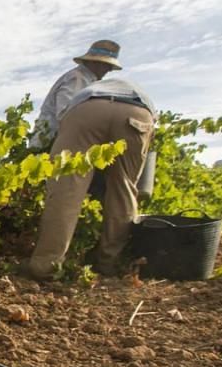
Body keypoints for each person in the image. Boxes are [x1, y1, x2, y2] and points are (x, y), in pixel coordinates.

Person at [24, 75, 157, 279]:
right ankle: (109, 264)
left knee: (67, 188)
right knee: (124, 190)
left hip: (88, 110)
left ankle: (46, 266)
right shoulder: (133, 87)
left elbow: (54, 124)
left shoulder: (79, 85)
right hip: (138, 112)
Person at [28, 40, 121, 151]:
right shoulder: (77, 79)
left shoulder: (88, 81)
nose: (109, 70)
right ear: (96, 63)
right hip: (49, 145)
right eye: (107, 65)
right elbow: (66, 114)